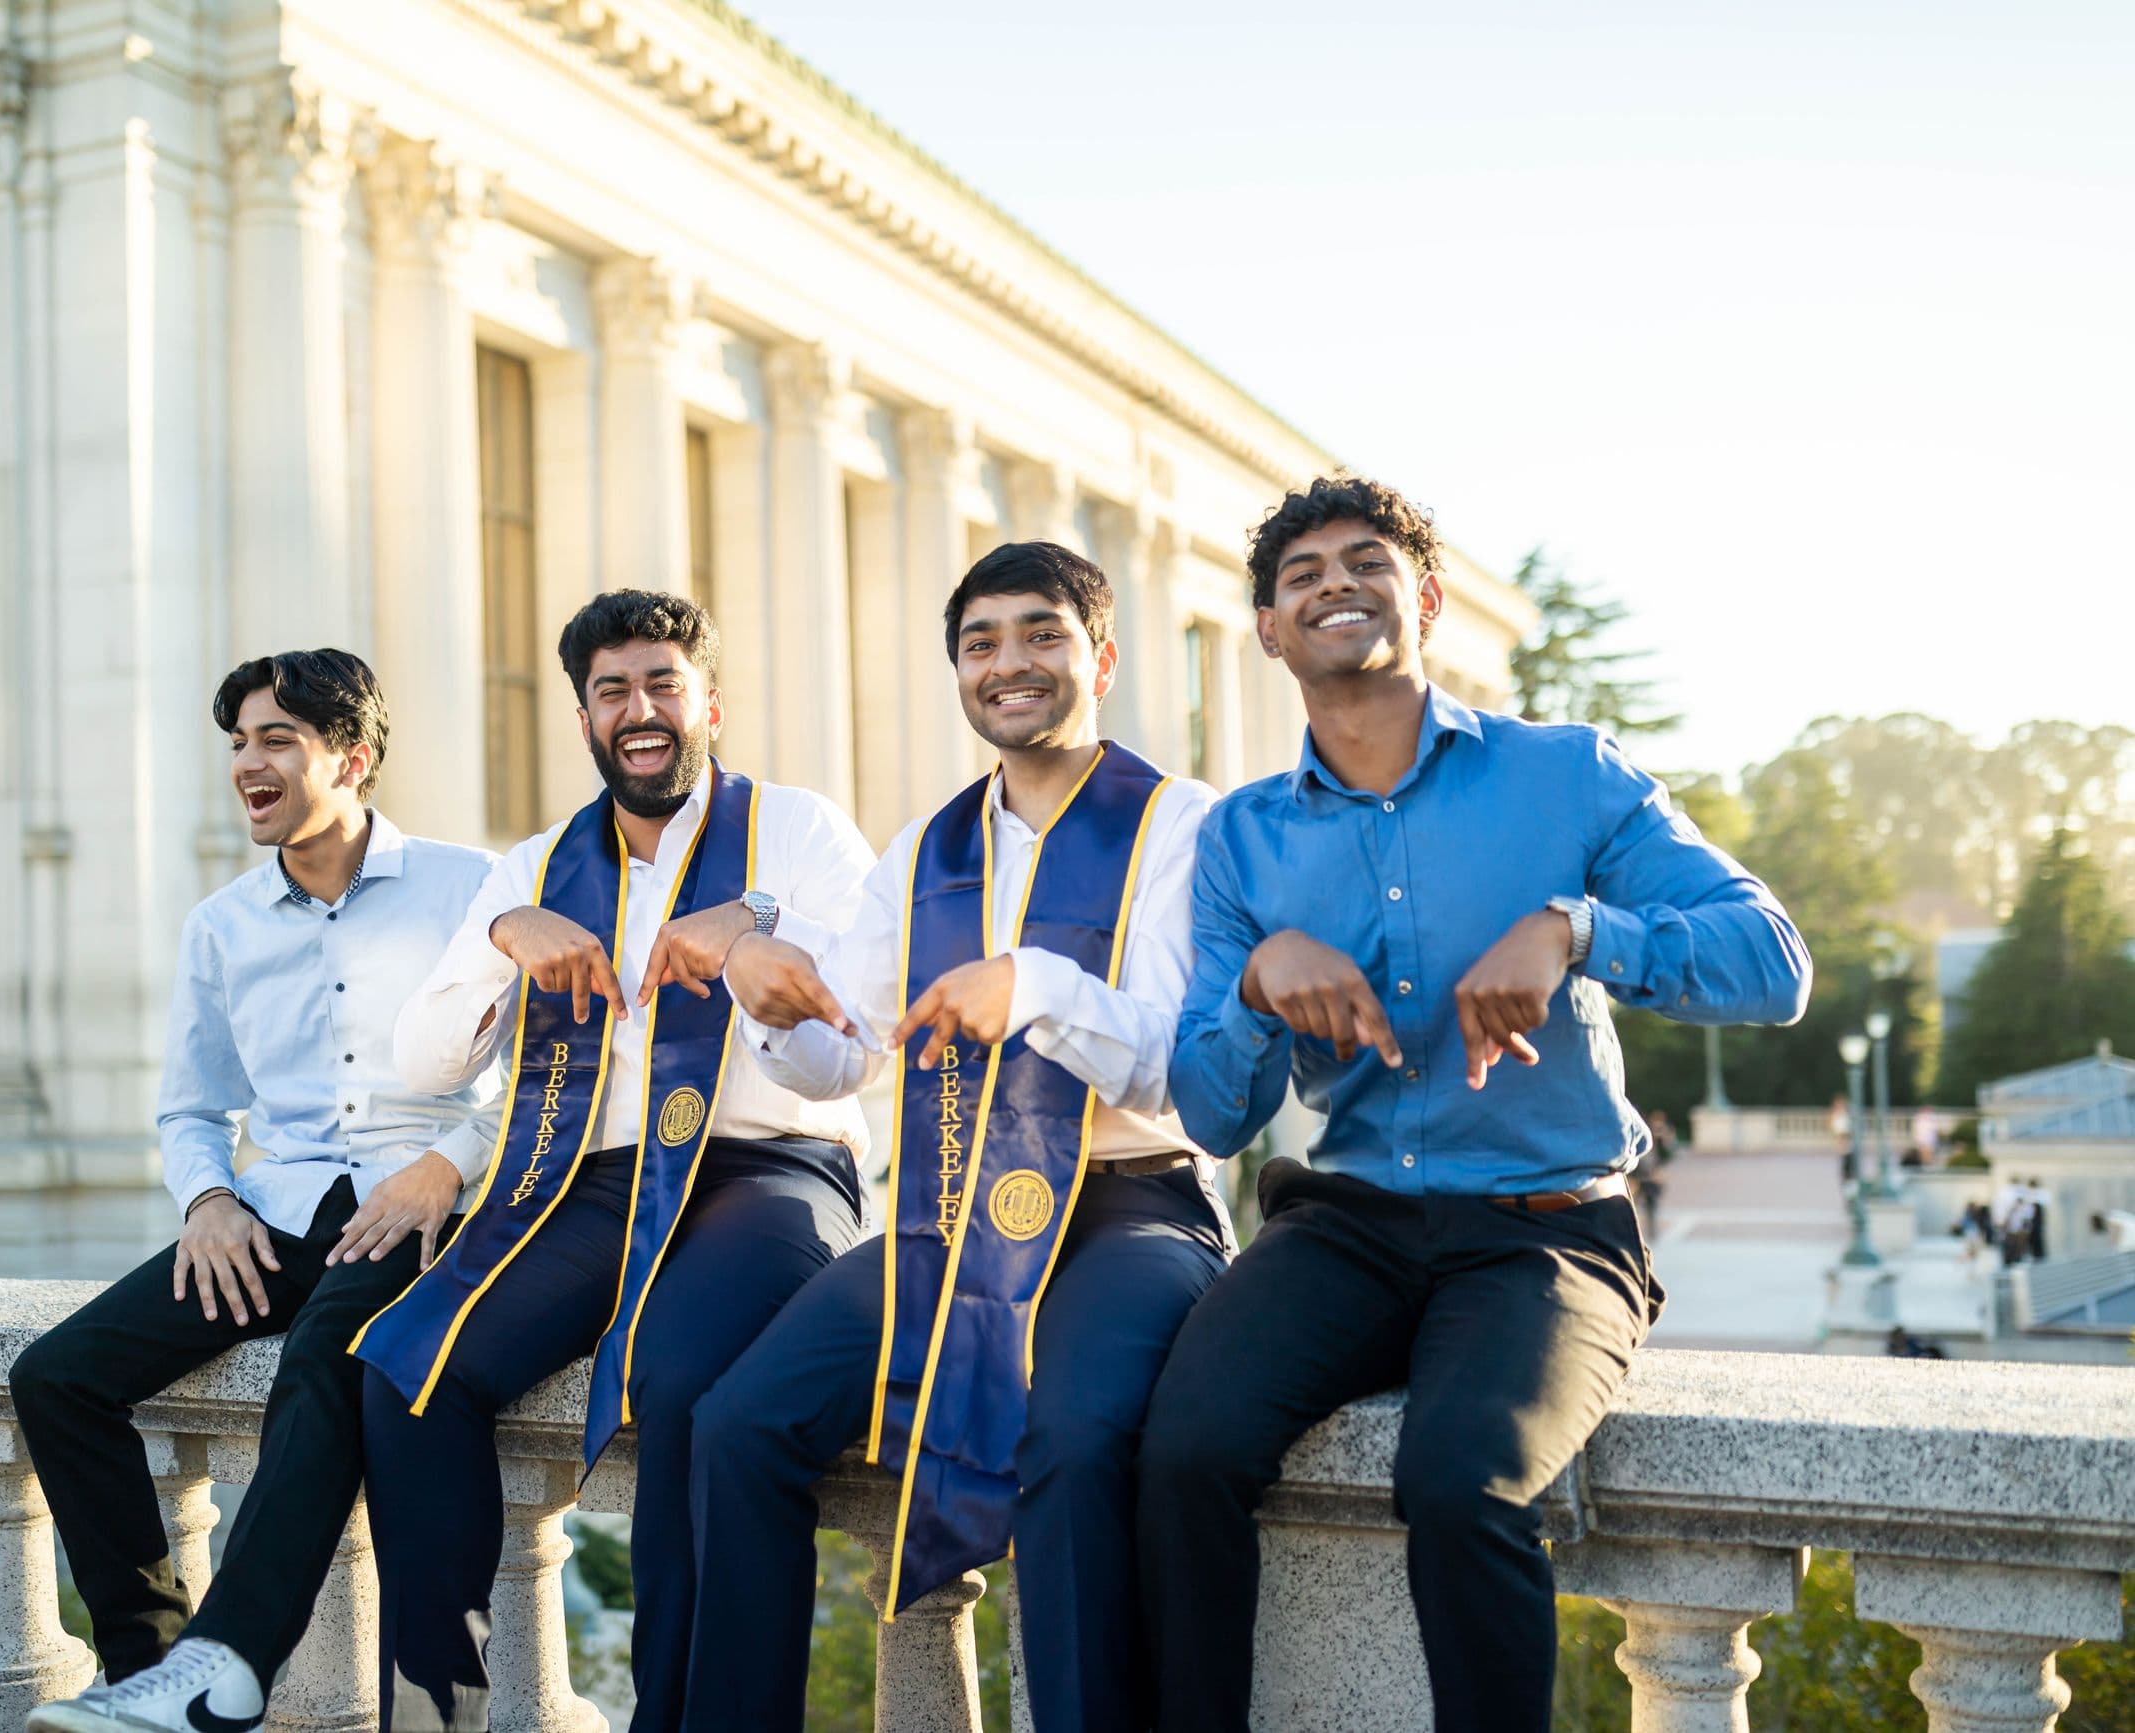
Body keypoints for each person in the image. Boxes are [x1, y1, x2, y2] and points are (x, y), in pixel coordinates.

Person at [1133, 476, 1813, 1733]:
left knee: (1455, 1481)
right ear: (1269, 633)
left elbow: (1771, 964)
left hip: (1546, 1229)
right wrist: (1254, 981)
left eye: (1364, 560)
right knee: (1178, 1452)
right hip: (1344, 1226)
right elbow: (1212, 1112)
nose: (1332, 581)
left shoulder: (1567, 775)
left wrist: (1575, 927)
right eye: (1300, 575)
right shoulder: (1239, 838)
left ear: (1424, 598)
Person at [680, 542, 1232, 1733]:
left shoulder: (1185, 827)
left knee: (1076, 1444)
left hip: (1131, 1206)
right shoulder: (927, 849)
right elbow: (847, 1050)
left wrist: (1034, 982)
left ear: (1101, 654)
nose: (1008, 663)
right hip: (951, 1213)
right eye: (979, 643)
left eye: (1040, 633)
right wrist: (769, 1007)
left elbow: (1185, 1069)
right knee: (735, 1426)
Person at [349, 590, 875, 1733]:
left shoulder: (797, 830)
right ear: (585, 718)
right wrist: (503, 939)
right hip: (594, 1180)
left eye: (661, 684)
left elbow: (854, 1038)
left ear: (707, 704)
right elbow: (422, 1059)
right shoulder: (537, 863)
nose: (638, 709)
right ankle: (439, 1713)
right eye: (611, 690)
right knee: (402, 1365)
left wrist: (755, 927)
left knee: (684, 1384)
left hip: (766, 1170)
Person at [16, 651, 501, 1733]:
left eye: (276, 737)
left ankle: (225, 1670)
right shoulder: (221, 925)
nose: (248, 760)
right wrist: (207, 1201)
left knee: (323, 1361)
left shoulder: (471, 886)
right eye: (238, 740)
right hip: (272, 1209)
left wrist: (448, 1163)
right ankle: (149, 1658)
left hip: (418, 1203)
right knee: (57, 1375)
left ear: (353, 757)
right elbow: (190, 1107)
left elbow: (547, 1076)